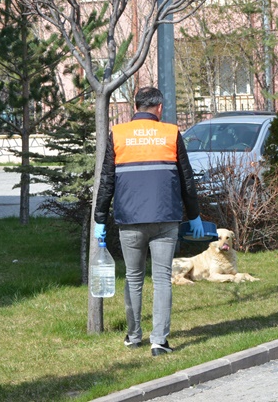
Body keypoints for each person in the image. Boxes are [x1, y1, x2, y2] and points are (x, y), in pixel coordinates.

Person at [93, 86, 204, 357]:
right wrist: (195, 214)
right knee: (163, 279)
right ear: (159, 108)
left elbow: (107, 181)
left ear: (135, 105)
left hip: (129, 220)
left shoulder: (118, 134)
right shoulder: (170, 133)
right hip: (165, 219)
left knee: (133, 278)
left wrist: (99, 219)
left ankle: (133, 336)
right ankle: (159, 341)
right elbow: (186, 179)